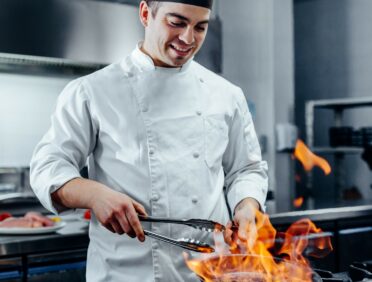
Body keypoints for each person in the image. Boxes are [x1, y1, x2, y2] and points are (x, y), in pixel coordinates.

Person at [30, 0, 268, 281]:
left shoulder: (226, 94)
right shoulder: (92, 91)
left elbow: (246, 169)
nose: (188, 39)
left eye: (200, 27)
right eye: (176, 22)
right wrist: (95, 195)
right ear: (145, 14)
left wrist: (247, 206)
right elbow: (47, 167)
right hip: (125, 274)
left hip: (209, 271)